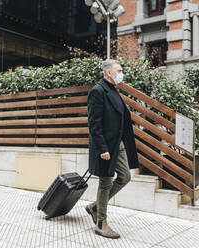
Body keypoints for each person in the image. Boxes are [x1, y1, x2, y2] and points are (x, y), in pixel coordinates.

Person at [85, 59, 139, 239]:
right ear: (109, 73)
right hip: (106, 146)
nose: (122, 73)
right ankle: (101, 223)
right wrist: (102, 148)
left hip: (119, 144)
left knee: (125, 176)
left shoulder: (113, 90)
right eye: (119, 70)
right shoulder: (97, 91)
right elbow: (94, 124)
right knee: (105, 182)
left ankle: (94, 207)